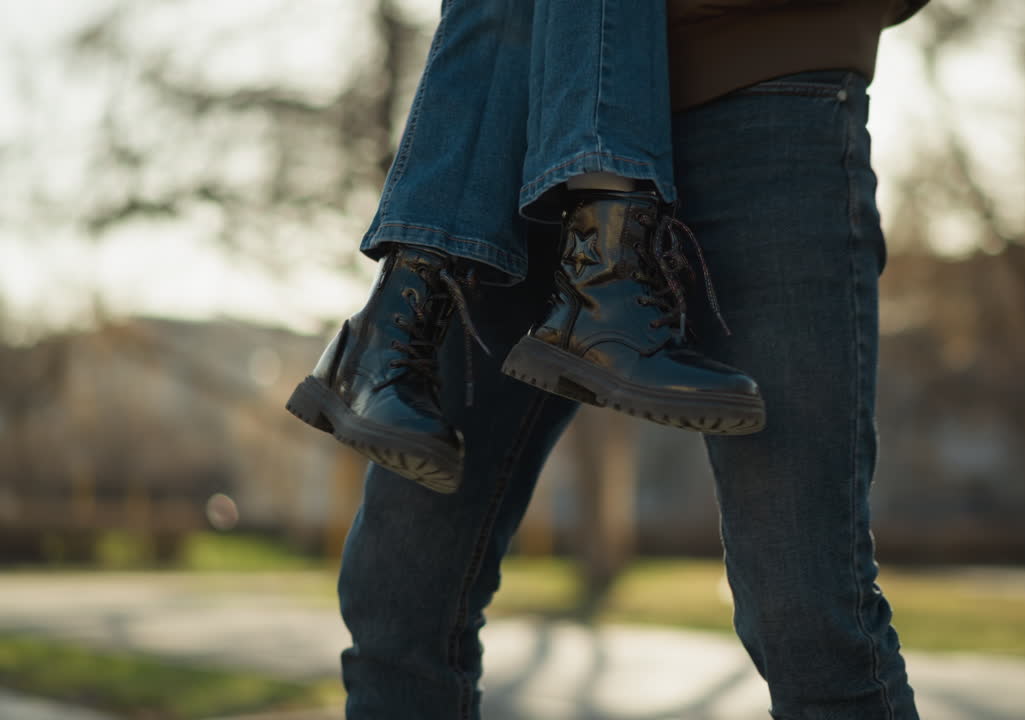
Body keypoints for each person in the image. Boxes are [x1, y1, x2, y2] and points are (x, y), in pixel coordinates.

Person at [286, 1, 929, 717]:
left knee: (807, 614)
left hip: (767, 94)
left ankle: (389, 314)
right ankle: (404, 309)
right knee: (400, 596)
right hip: (532, 121)